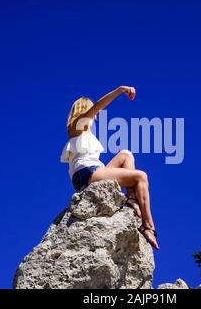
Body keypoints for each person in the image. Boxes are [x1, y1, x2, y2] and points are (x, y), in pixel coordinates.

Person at [60, 86, 159, 250]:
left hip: (91, 171)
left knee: (126, 154)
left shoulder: (84, 133)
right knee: (141, 176)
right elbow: (98, 105)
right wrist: (120, 90)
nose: (96, 116)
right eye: (92, 113)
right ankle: (148, 226)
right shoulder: (77, 125)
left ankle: (132, 198)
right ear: (84, 110)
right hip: (86, 172)